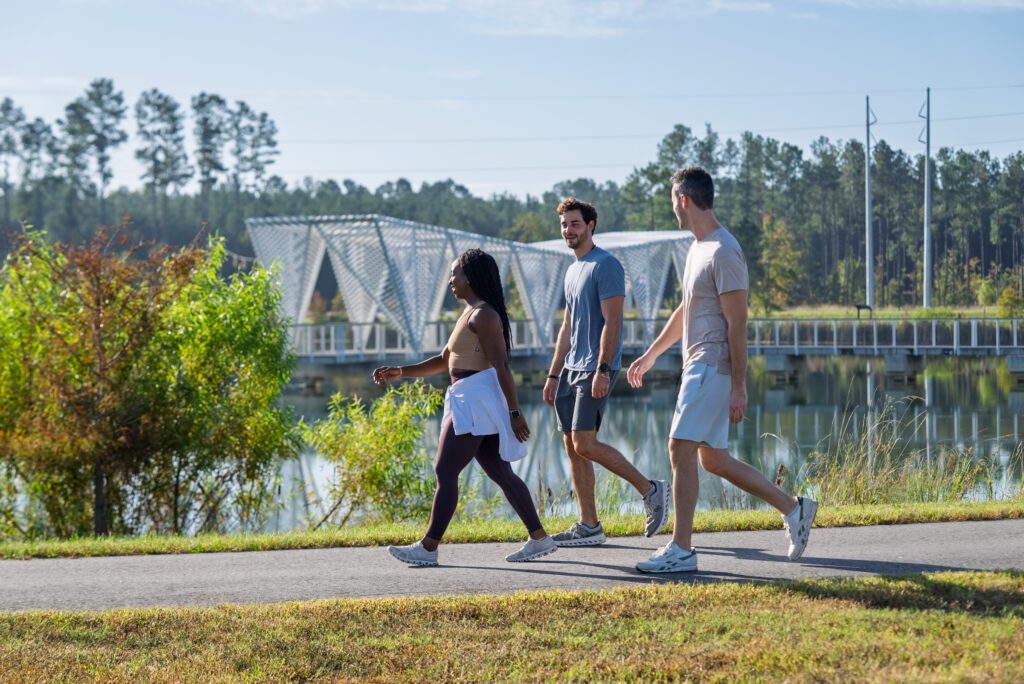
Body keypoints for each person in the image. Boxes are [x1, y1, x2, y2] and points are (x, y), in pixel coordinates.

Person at [627, 167, 817, 573]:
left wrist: (739, 386)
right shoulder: (698, 248)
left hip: (712, 366)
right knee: (712, 460)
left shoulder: (724, 250)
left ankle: (682, 549)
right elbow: (687, 310)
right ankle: (794, 507)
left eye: (672, 203)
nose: (672, 211)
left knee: (679, 448)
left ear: (683, 200)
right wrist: (653, 353)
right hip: (696, 364)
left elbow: (738, 322)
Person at [375, 249, 556, 566]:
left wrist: (514, 413)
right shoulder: (469, 313)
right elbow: (444, 361)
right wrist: (401, 372)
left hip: (475, 398)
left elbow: (501, 365)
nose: (450, 281)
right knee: (500, 471)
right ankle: (540, 538)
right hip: (467, 395)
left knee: (445, 470)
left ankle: (428, 548)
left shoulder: (484, 315)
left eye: (454, 274)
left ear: (469, 277)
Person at [542, 197, 669, 547]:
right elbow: (567, 326)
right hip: (570, 369)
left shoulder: (606, 265)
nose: (569, 230)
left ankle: (650, 488)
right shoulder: (572, 269)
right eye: (565, 224)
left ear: (591, 225)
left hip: (595, 368)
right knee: (572, 447)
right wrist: (553, 375)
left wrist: (602, 368)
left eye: (575, 224)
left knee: (585, 442)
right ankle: (589, 525)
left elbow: (613, 322)